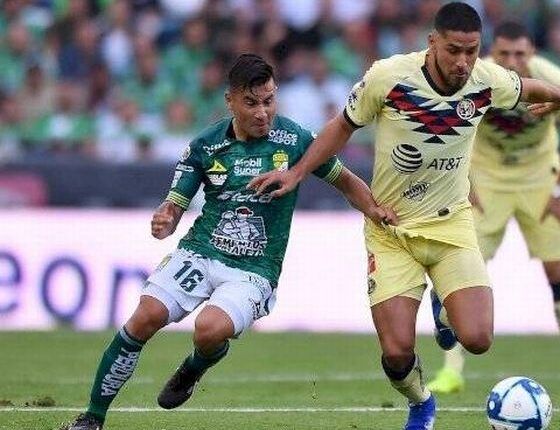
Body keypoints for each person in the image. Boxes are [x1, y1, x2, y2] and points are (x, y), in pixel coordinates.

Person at [248, 4, 560, 429]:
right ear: (432, 42)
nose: (463, 61)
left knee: (478, 339)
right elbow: (341, 127)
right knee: (397, 353)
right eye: (454, 50)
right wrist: (297, 173)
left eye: (472, 51)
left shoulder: (486, 81)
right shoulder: (389, 77)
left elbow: (540, 89)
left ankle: (444, 307)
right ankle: (421, 403)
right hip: (391, 228)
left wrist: (558, 99)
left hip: (451, 224)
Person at [64, 53, 395, 430]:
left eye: (268, 100)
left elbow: (347, 181)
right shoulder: (205, 146)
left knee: (208, 330)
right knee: (145, 317)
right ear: (230, 100)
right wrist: (165, 219)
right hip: (201, 251)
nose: (262, 112)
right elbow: (175, 203)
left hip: (253, 270)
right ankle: (92, 418)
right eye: (251, 103)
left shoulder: (297, 140)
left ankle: (193, 367)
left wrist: (374, 209)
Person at [426, 21, 560, 396]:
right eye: (504, 53)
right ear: (493, 53)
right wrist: (465, 182)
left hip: (539, 178)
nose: (512, 60)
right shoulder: (474, 77)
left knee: (559, 269)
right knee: (464, 269)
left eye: (520, 53)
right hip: (485, 179)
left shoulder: (555, 82)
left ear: (532, 54)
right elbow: (447, 131)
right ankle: (451, 370)